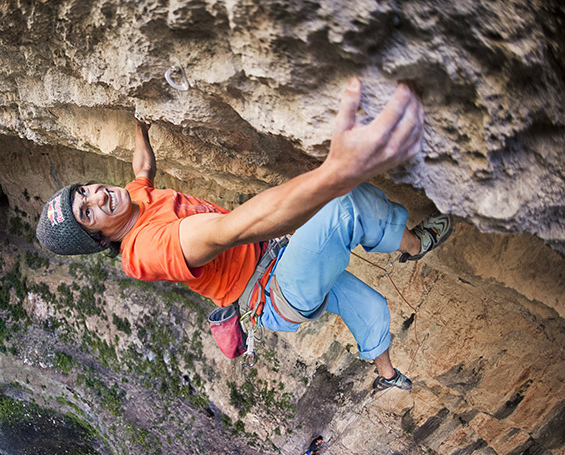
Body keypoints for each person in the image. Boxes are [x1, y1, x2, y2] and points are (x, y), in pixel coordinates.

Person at [36, 78, 452, 392]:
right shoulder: (147, 250)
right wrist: (335, 172)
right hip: (275, 292)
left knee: (373, 308)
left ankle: (387, 374)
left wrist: (138, 127)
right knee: (344, 204)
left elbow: (141, 171)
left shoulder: (130, 200)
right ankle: (415, 244)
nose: (97, 197)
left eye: (84, 191)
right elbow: (230, 230)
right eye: (86, 213)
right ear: (97, 240)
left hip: (277, 265)